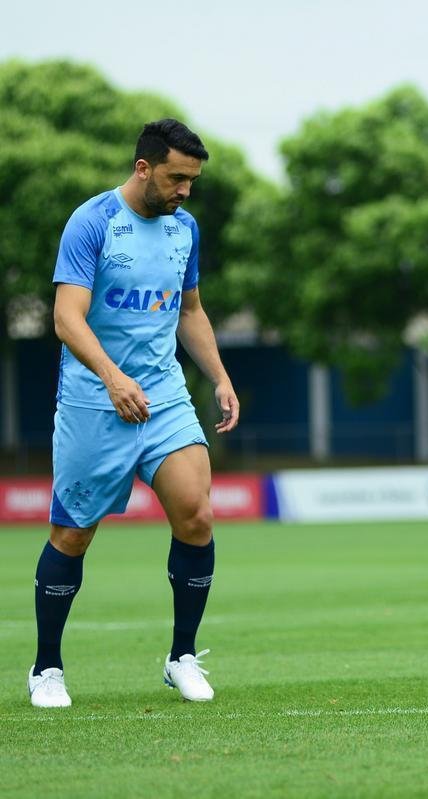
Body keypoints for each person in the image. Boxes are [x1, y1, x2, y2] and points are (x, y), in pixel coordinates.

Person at [28, 119, 240, 708]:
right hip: (96, 401)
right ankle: (47, 668)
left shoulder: (185, 229)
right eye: (177, 178)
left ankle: (183, 657)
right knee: (72, 535)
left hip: (165, 396)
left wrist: (219, 377)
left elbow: (189, 311)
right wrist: (113, 376)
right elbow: (67, 318)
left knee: (196, 514)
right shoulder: (92, 222)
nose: (185, 191)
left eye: (192, 181)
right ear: (144, 167)